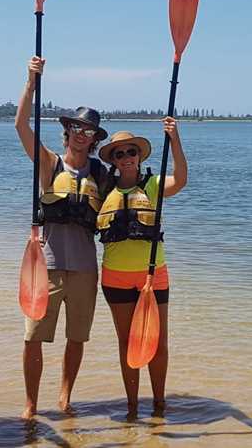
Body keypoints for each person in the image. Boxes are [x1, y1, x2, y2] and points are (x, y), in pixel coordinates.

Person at [14, 55, 109, 419]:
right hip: (47, 266)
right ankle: (30, 404)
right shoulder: (49, 163)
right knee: (33, 336)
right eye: (78, 129)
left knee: (77, 338)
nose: (82, 135)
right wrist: (30, 83)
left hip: (85, 270)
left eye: (89, 132)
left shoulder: (101, 173)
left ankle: (65, 397)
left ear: (94, 139)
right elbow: (22, 125)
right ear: (67, 131)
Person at [96, 121, 187, 419]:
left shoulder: (153, 185)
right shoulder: (104, 188)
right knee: (128, 344)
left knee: (158, 343)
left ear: (139, 156)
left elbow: (182, 179)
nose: (126, 157)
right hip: (115, 277)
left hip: (153, 275)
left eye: (131, 152)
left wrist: (175, 139)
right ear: (114, 161)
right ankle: (132, 406)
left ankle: (159, 403)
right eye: (119, 154)